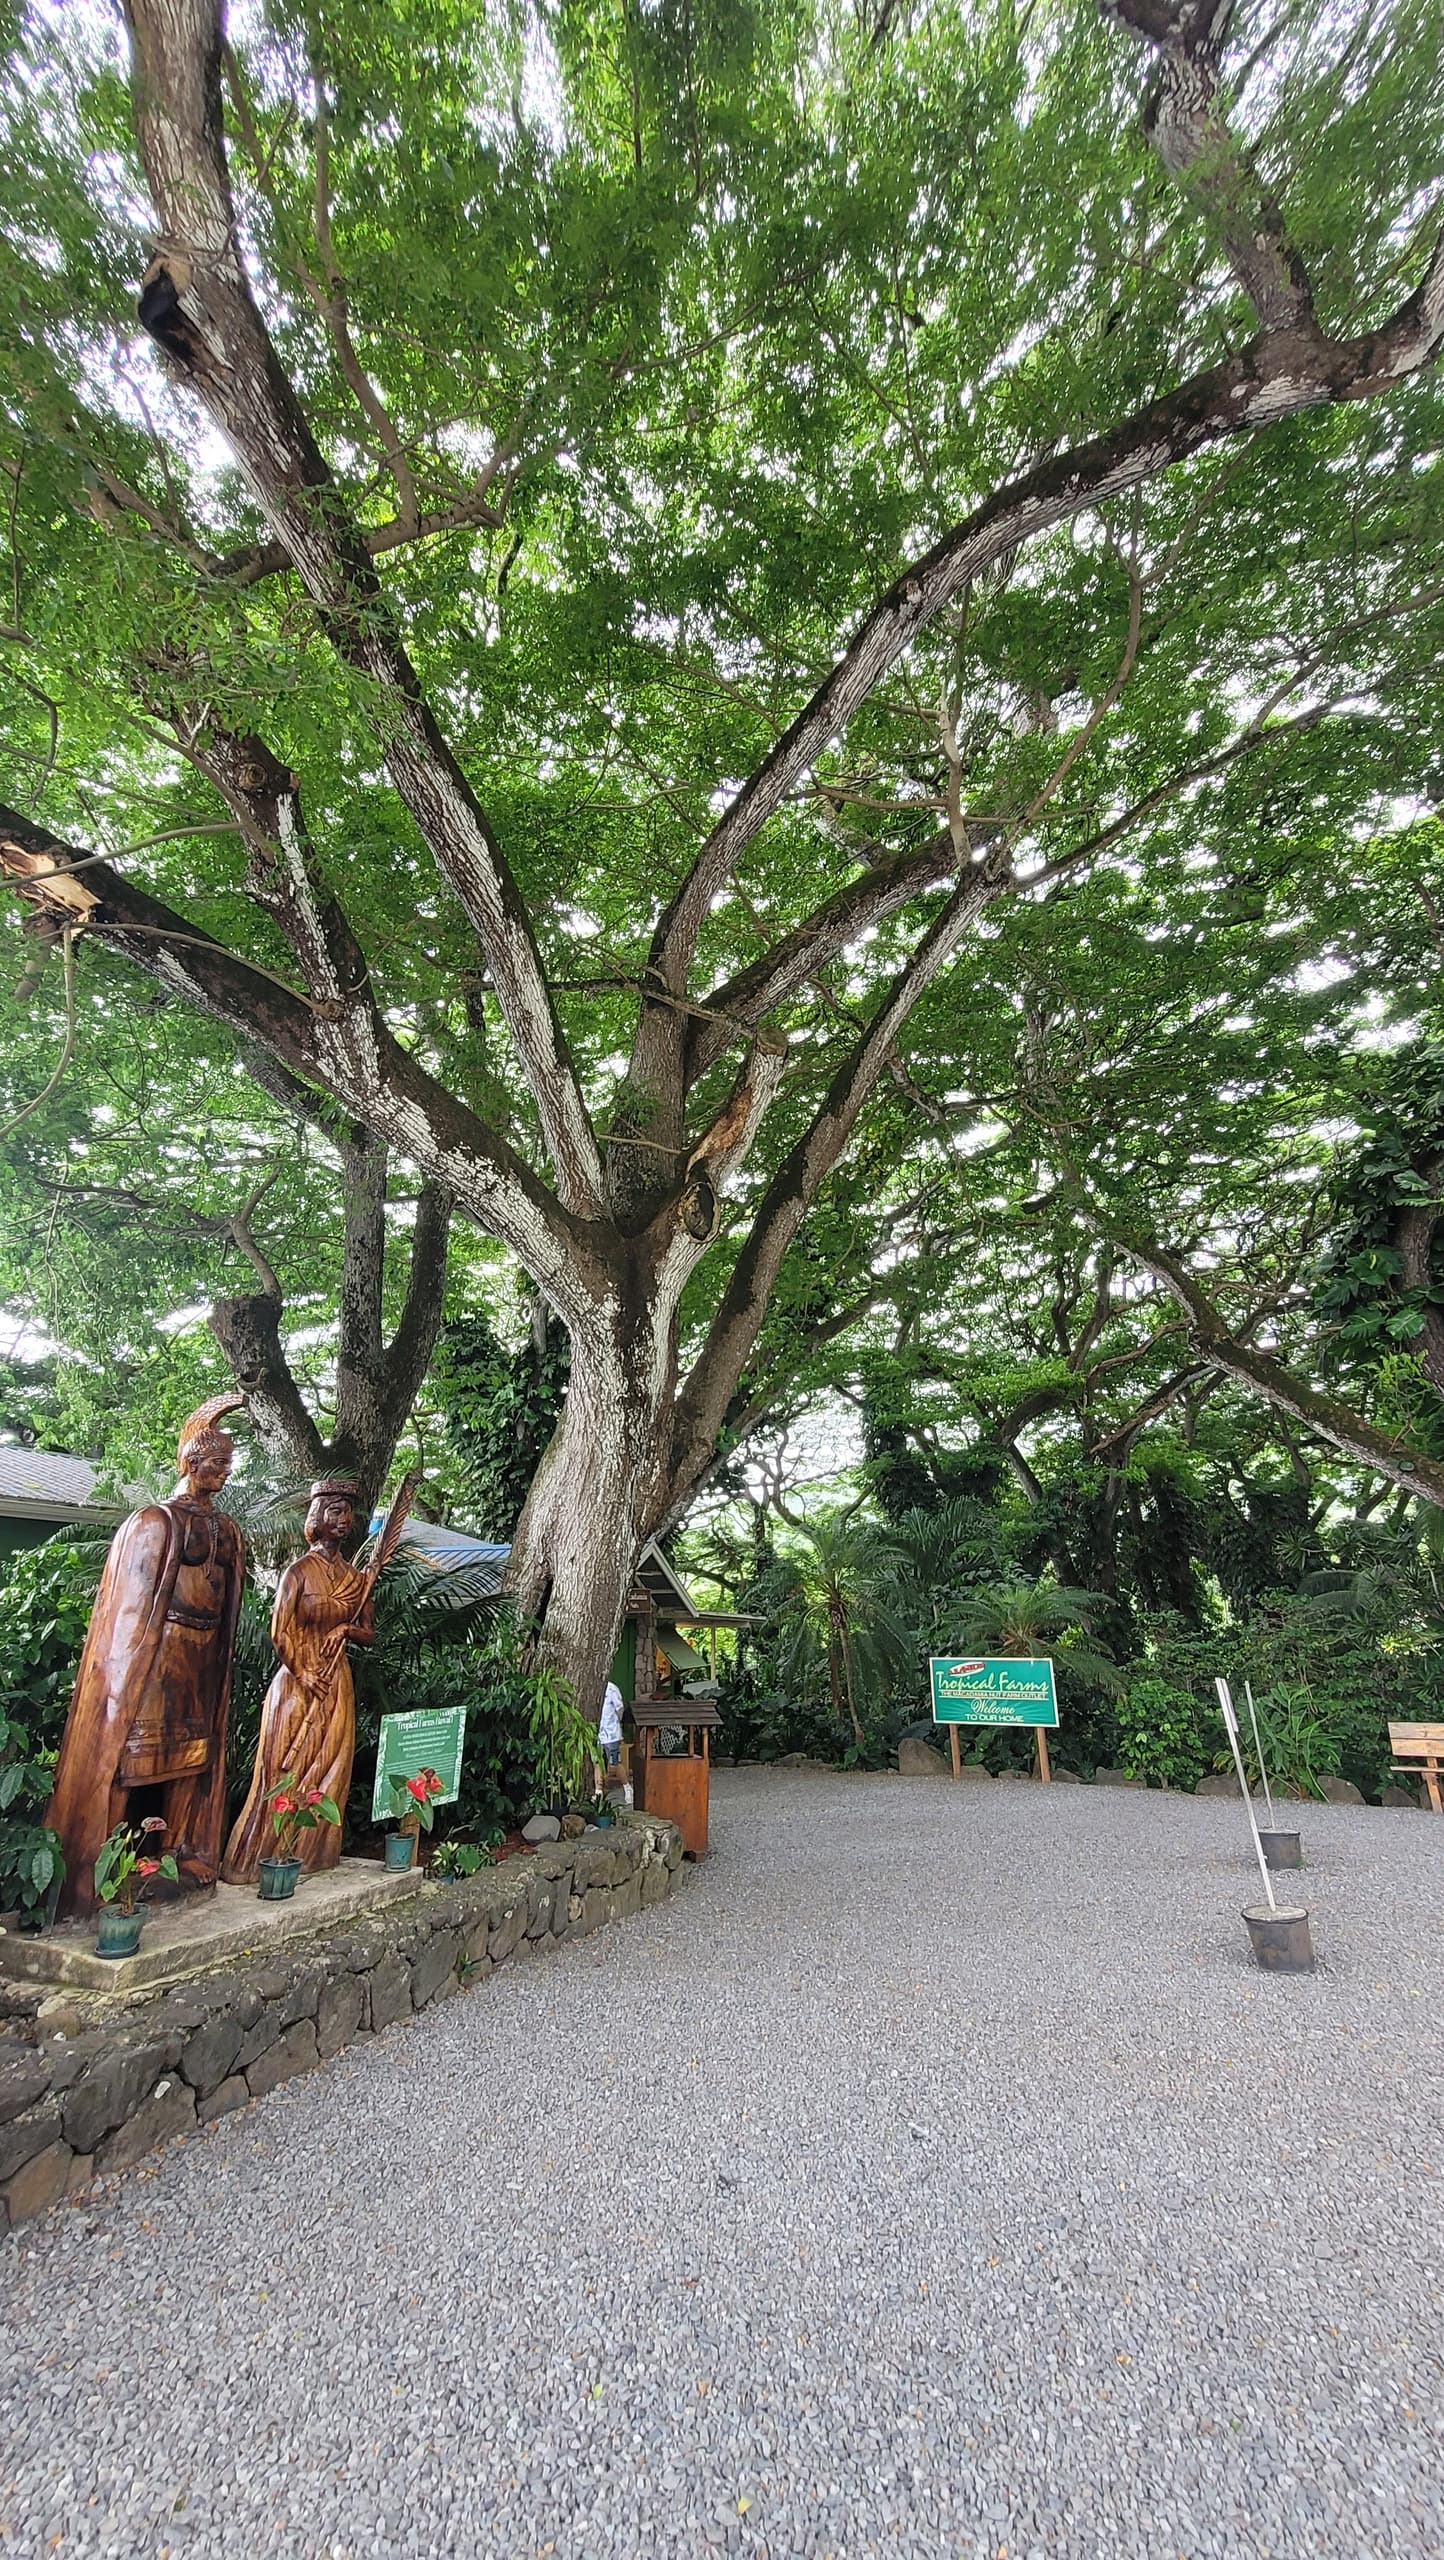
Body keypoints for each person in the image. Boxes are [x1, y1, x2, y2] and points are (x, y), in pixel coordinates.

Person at [46, 1396, 247, 1918]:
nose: (225, 1473)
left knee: (192, 1760)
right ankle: (105, 1864)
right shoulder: (153, 1521)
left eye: (229, 1464)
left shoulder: (228, 1530)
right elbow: (131, 1611)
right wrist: (133, 1670)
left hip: (202, 1661)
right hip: (156, 1661)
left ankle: (180, 1852)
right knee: (132, 1760)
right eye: (216, 1463)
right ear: (189, 1462)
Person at [221, 1479, 373, 1884]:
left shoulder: (357, 1578)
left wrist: (345, 1631)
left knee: (331, 1768)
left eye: (348, 1513)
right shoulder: (299, 1572)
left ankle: (314, 1853)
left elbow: (368, 1631)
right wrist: (302, 1671)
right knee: (282, 1769)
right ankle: (259, 1858)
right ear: (318, 1518)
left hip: (336, 1683)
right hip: (298, 1681)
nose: (344, 1520)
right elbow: (280, 1630)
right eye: (336, 1512)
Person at [599, 1675, 626, 1771]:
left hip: (611, 1733)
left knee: (614, 1764)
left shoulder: (612, 1689)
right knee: (598, 1762)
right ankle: (600, 1786)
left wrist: (618, 1722)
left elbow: (620, 1708)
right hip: (597, 1733)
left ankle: (625, 1785)